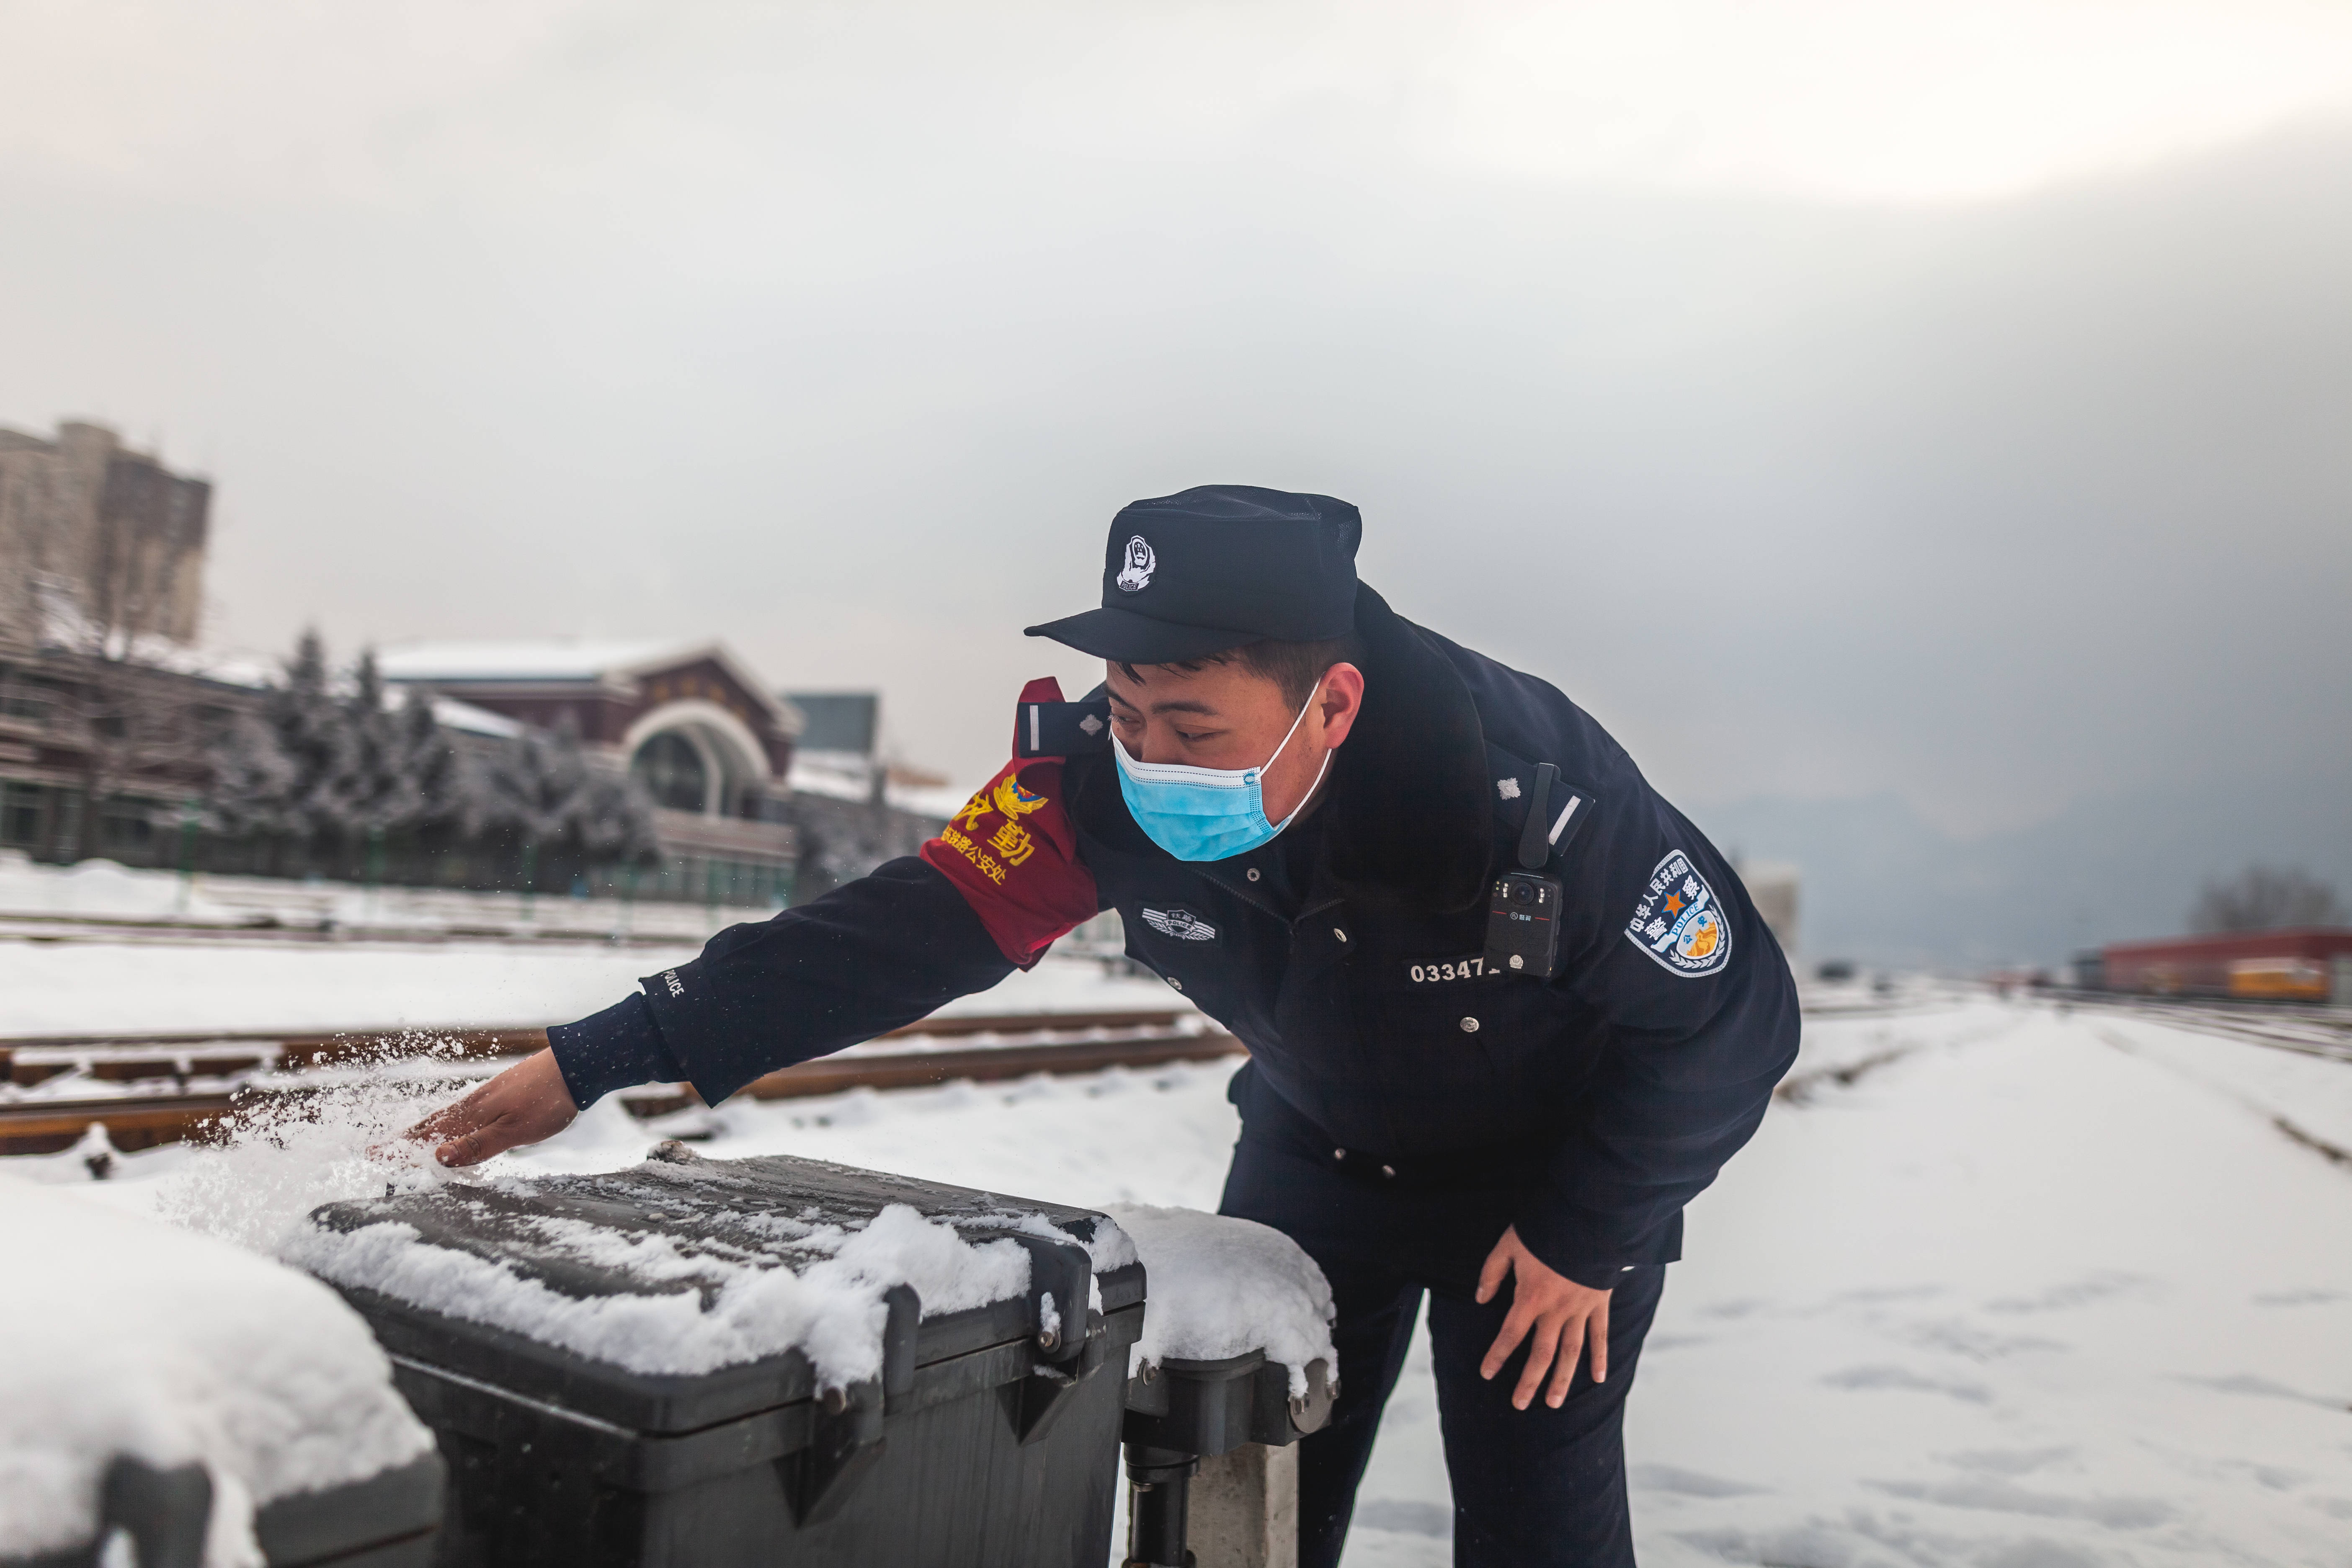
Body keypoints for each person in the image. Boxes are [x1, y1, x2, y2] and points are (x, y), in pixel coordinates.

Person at [410, 485, 1800, 1568]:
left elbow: (1733, 1020)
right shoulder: (1087, 786)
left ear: (1334, 702)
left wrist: (1589, 1230)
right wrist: (598, 1057)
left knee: (1537, 1536)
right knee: (1253, 1510)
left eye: (1192, 729)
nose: (1150, 759)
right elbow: (892, 936)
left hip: (1553, 1188)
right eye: (1128, 713)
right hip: (1319, 1159)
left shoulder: (1533, 800)